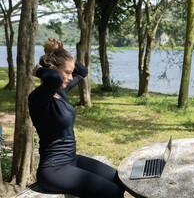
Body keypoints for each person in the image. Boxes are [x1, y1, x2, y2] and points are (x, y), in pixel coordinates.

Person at [28, 38, 125, 198]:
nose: (71, 77)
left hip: (72, 160)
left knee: (119, 180)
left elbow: (82, 72)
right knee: (112, 193)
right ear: (52, 70)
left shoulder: (59, 92)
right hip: (54, 170)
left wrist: (66, 55)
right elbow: (54, 79)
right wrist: (37, 70)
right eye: (67, 72)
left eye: (70, 73)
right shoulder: (38, 98)